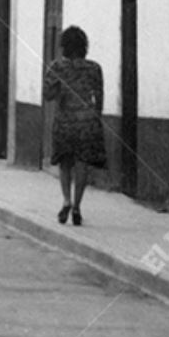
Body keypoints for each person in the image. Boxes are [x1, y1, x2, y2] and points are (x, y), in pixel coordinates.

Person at [42, 26, 105, 225]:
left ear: (64, 46)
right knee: (82, 164)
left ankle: (66, 200)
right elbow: (100, 96)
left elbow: (48, 95)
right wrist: (96, 116)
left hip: (65, 120)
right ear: (84, 46)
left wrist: (58, 87)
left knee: (65, 163)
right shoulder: (94, 68)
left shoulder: (57, 67)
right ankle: (77, 205)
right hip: (86, 121)